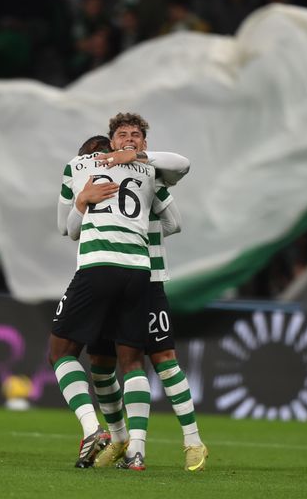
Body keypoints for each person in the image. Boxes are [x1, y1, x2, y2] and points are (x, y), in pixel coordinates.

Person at [65, 114, 208, 471]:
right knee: (101, 364)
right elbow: (69, 229)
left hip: (148, 277)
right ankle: (120, 440)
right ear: (111, 141)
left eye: (136, 135)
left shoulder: (151, 172)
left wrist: (139, 225)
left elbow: (175, 219)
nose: (129, 139)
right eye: (122, 135)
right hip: (117, 274)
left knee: (161, 358)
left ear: (144, 142)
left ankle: (192, 441)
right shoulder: (99, 174)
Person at [51, 117, 173, 471]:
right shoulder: (147, 172)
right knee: (123, 363)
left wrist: (82, 201)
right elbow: (175, 211)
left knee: (60, 352)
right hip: (139, 271)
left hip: (99, 266)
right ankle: (134, 448)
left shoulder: (78, 167)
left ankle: (93, 429)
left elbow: (66, 229)